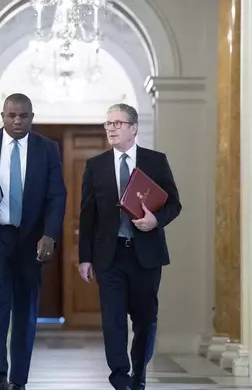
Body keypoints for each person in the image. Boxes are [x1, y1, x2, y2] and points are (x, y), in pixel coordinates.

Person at [0, 93, 67, 390]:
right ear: (2, 116)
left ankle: (19, 380)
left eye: (24, 116)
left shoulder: (47, 149)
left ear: (32, 117)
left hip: (30, 242)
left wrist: (50, 235)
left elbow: (57, 196)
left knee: (26, 311)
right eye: (11, 115)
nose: (17, 121)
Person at [78, 103, 181, 390]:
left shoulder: (155, 161)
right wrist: (84, 258)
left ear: (134, 128)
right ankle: (120, 379)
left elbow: (174, 204)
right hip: (108, 257)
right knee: (113, 321)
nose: (111, 128)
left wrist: (155, 221)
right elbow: (88, 215)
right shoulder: (95, 165)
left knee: (145, 320)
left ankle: (138, 374)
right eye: (108, 124)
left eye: (117, 123)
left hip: (146, 255)